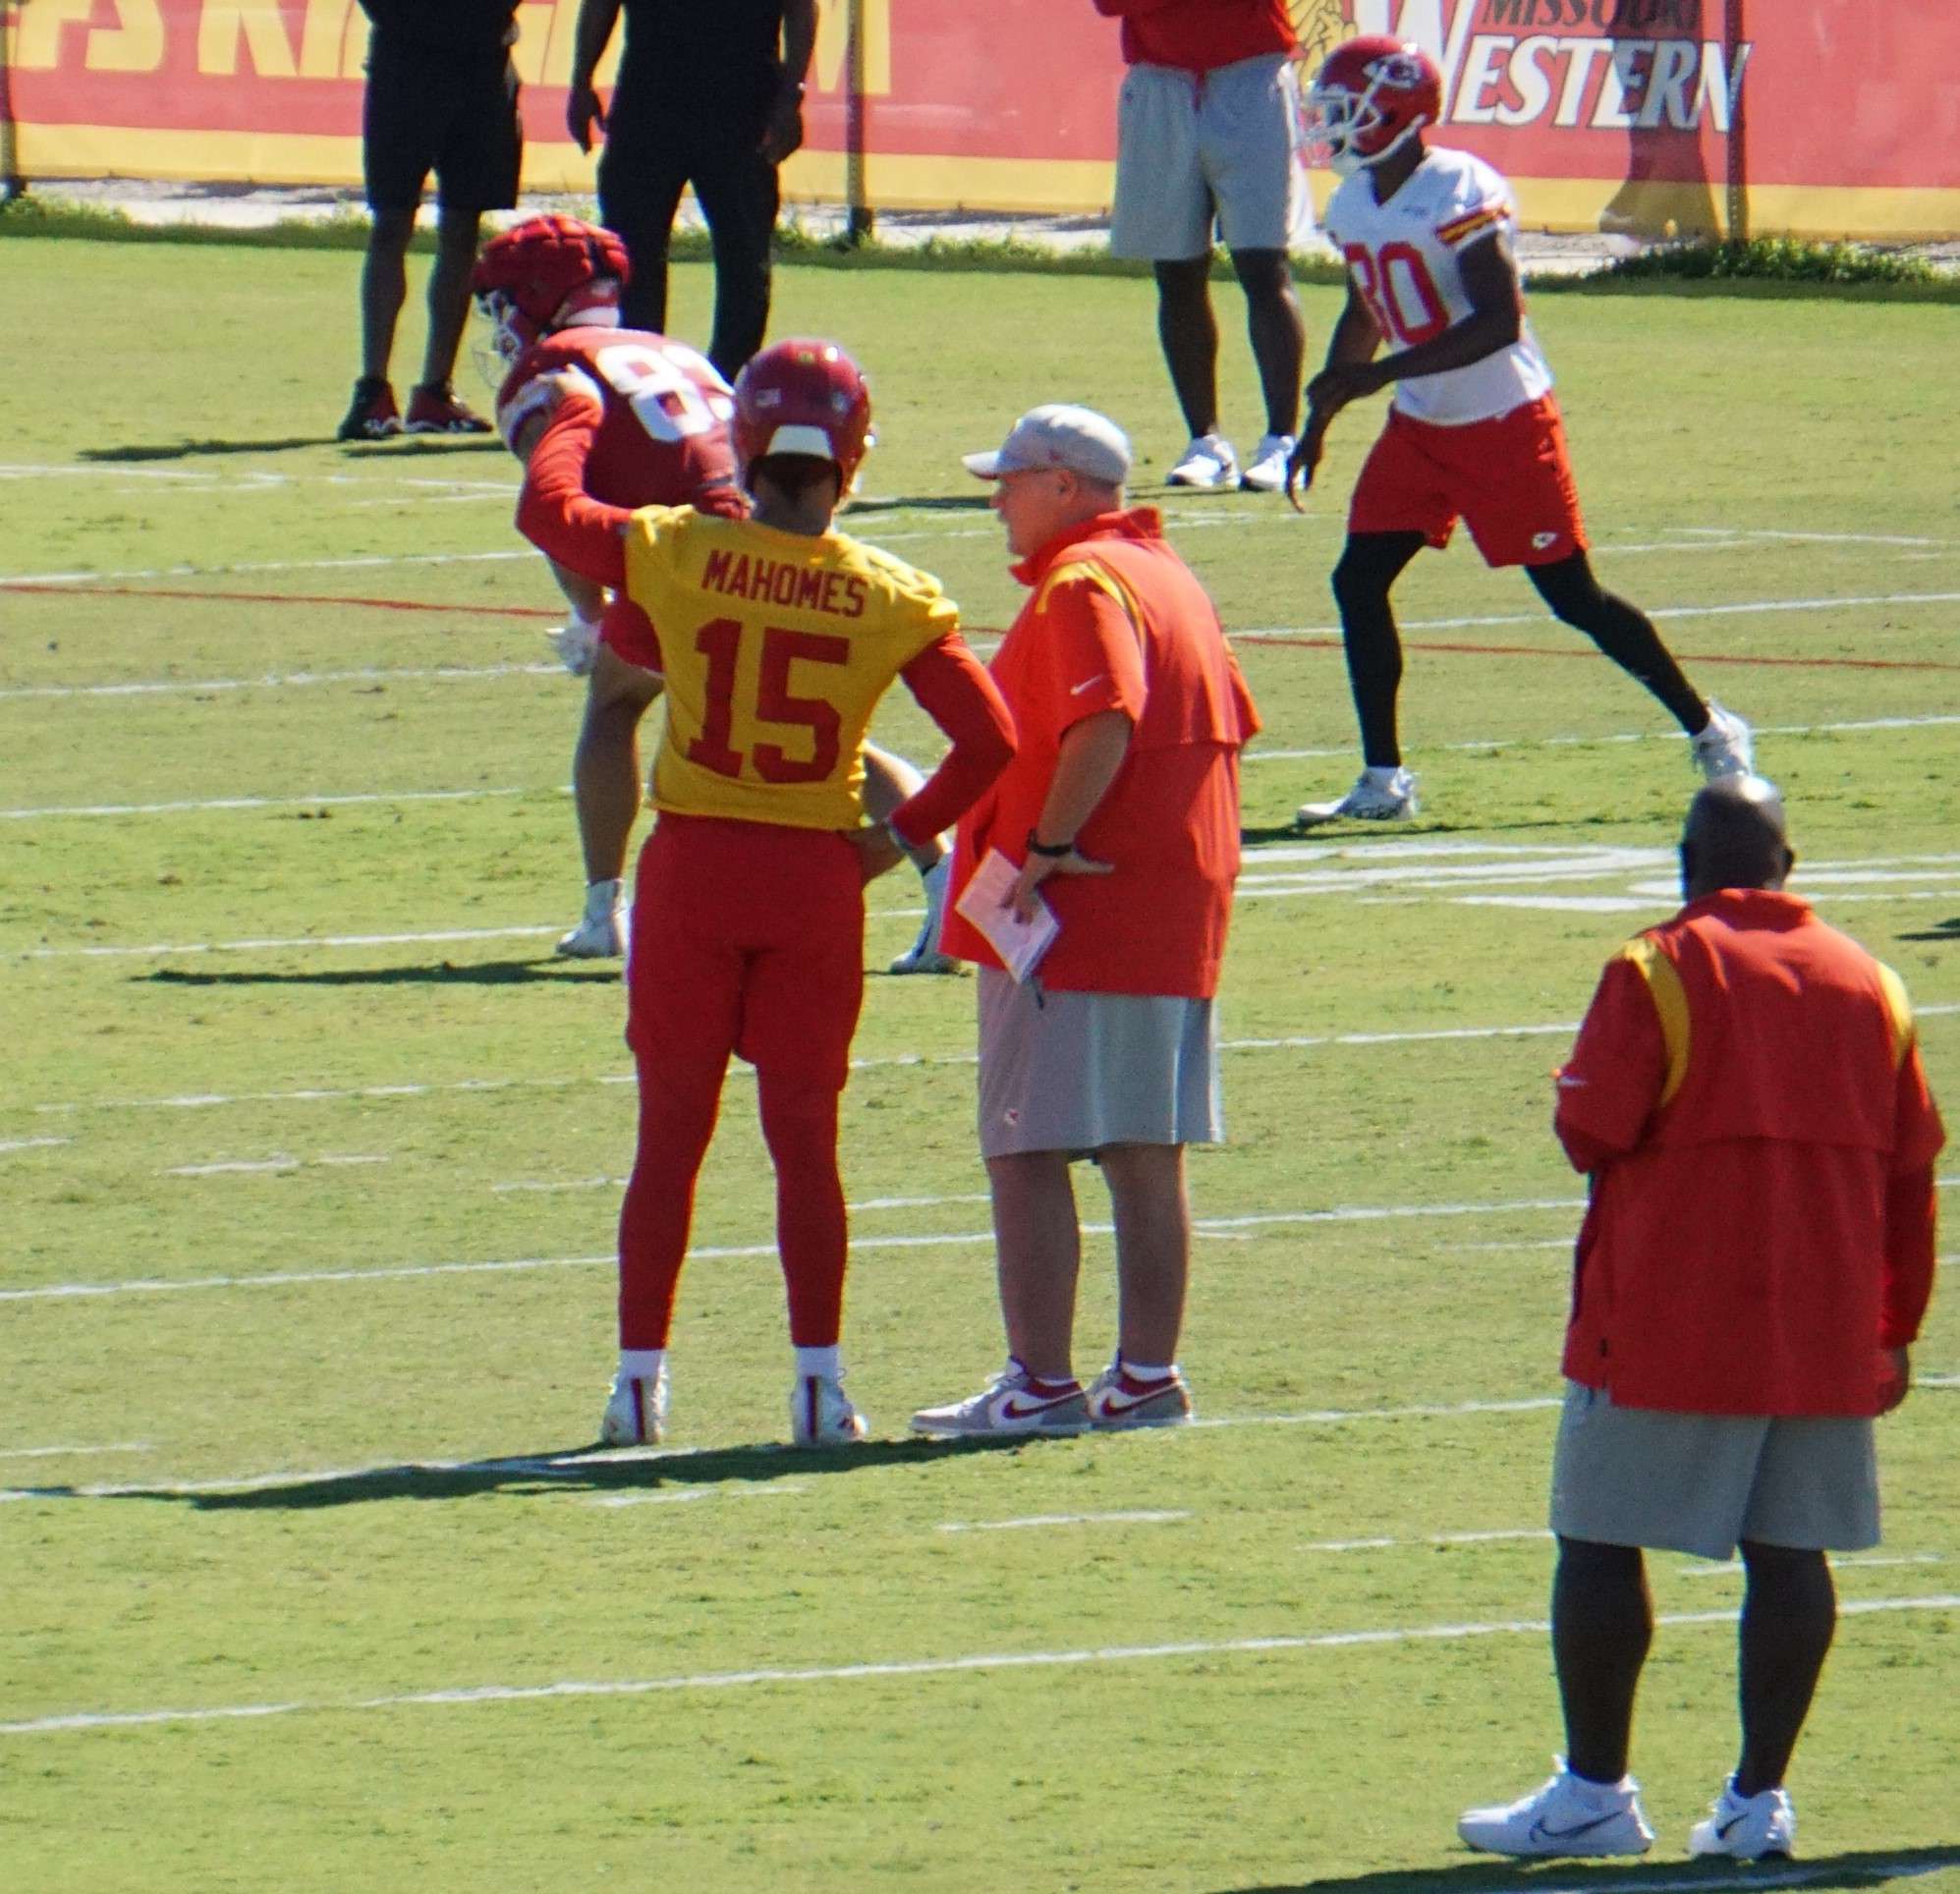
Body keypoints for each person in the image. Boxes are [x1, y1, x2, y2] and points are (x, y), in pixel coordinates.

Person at [515, 337, 1016, 1447]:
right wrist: (892, 844)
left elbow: (550, 512)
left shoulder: (680, 550)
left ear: (745, 443)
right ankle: (818, 1386)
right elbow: (992, 743)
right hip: (812, 884)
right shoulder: (891, 592)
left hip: (694, 869)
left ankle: (638, 1383)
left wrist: (570, 417)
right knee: (806, 1143)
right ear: (854, 456)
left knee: (669, 1141)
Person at [1459, 777, 1944, 1862]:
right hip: (1822, 1323)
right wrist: (1893, 1323)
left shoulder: (1655, 965)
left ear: (1687, 864)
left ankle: (1593, 1791)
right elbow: (1916, 1171)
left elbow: (1590, 1128)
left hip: (1666, 1316)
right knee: (1794, 1554)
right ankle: (1756, 1801)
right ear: (1792, 862)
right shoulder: (1875, 981)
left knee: (1595, 1537)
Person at [1284, 35, 1753, 826]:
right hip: (1422, 422)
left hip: (1501, 420)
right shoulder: (1357, 202)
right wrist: (1324, 412)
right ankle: (1383, 780)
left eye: (1345, 109)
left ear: (1396, 112)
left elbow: (1498, 321)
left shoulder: (1458, 185)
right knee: (1357, 581)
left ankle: (1708, 726)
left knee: (1573, 598)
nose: (1332, 124)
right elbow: (1367, 306)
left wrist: (1375, 377)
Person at [474, 215, 961, 967]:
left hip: (697, 553)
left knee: (616, 703)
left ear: (536, 299)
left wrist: (589, 613)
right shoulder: (668, 348)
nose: (500, 322)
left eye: (504, 302)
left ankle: (603, 909)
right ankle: (941, 869)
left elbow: (559, 510)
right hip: (774, 519)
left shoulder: (552, 372)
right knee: (799, 718)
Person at [911, 406, 1260, 1438]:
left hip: (1080, 909)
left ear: (1064, 485)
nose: (996, 498)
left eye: (1010, 479)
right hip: (1172, 901)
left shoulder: (1084, 581)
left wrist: (1049, 847)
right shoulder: (1167, 572)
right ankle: (1146, 1374)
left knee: (1026, 1148)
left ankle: (1042, 1380)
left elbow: (1105, 716)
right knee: (1146, 1149)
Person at [1093, 0, 1312, 494]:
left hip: (1250, 75)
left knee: (1263, 263)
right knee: (1176, 270)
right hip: (1159, 81)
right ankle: (1205, 442)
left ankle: (1281, 440)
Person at [566, 0, 814, 383]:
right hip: (649, 97)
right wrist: (581, 80)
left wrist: (790, 97)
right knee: (630, 254)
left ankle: (727, 386)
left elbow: (798, 7)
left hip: (741, 102)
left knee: (744, 255)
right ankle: (635, 382)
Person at [338, 0, 522, 440]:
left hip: (483, 66)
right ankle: (373, 389)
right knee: (392, 222)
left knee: (463, 228)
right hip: (406, 64)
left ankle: (435, 391)